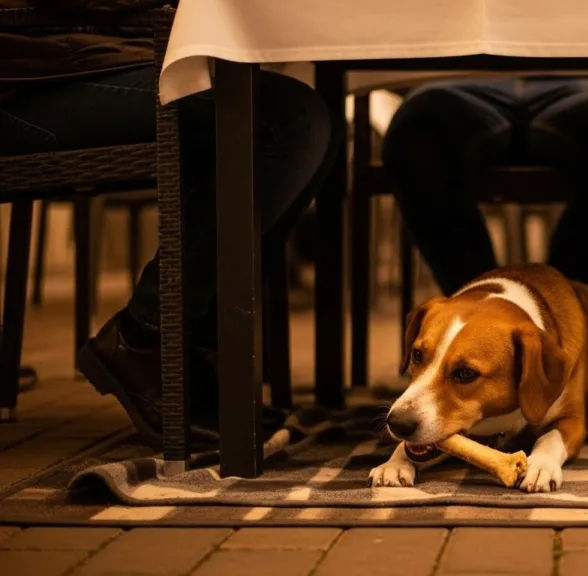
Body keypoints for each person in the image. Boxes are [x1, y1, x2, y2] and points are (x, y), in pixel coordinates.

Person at [0, 0, 339, 446]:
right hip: (34, 80)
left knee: (317, 125)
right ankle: (150, 334)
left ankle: (187, 341)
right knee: (288, 120)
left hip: (114, 57)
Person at [383, 75, 588, 296]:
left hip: (581, 74)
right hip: (454, 76)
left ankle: (553, 306)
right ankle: (487, 306)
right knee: (417, 141)